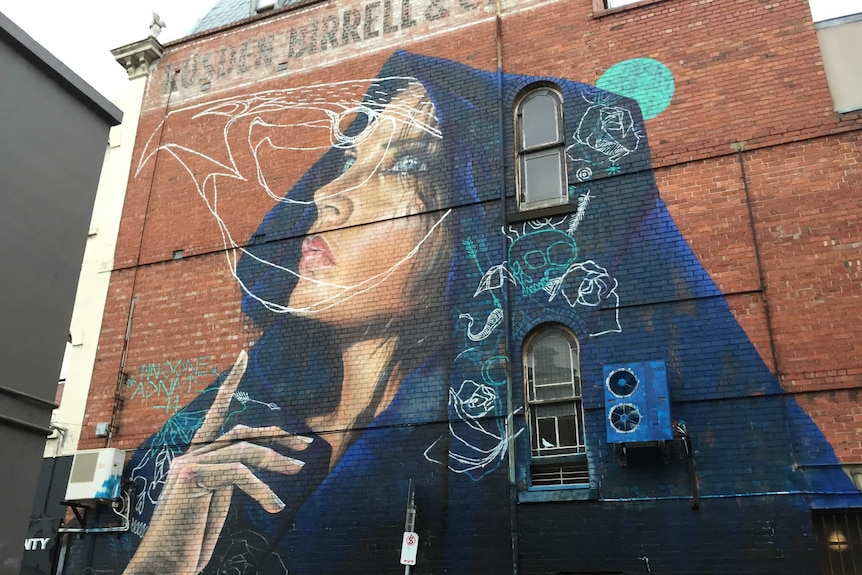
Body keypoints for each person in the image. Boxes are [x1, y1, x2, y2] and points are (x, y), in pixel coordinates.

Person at [93, 51, 855, 575]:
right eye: (345, 160)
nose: (328, 193)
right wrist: (165, 543)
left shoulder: (472, 459)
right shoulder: (220, 440)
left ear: (475, 224)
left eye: (403, 166)